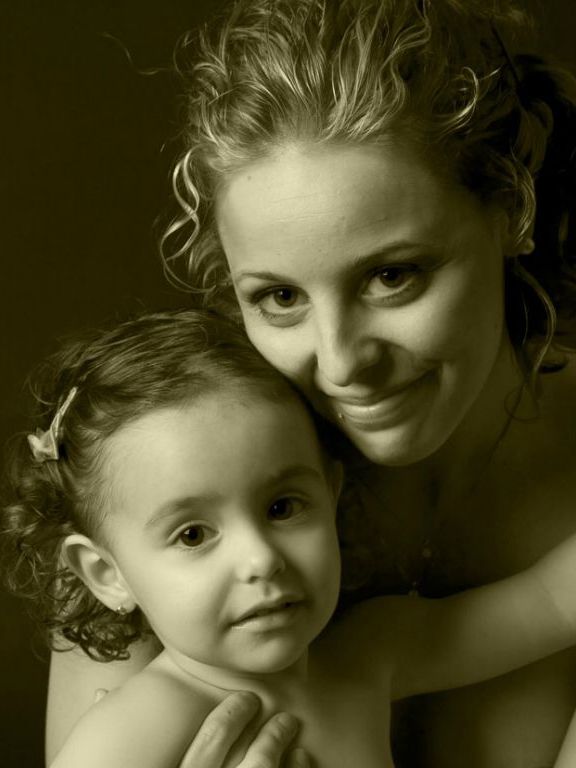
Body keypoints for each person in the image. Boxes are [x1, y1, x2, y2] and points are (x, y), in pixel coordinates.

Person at [46, 1, 576, 767]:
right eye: (279, 298)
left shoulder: (374, 644)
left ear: (508, 210)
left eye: (394, 277)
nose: (338, 364)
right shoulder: (152, 477)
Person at [5, 307, 576, 768]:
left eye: (282, 507)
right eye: (194, 534)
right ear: (109, 575)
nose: (260, 558)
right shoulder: (139, 726)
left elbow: (551, 601)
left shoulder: (370, 654)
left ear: (331, 495)